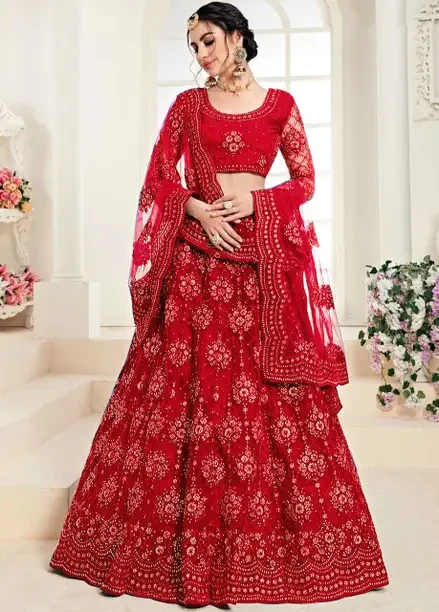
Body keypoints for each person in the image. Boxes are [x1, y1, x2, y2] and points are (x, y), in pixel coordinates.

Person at [49, 1, 389, 605]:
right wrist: (197, 209)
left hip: (260, 268)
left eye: (208, 40)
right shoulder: (187, 107)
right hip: (195, 270)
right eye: (194, 46)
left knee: (260, 399)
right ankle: (157, 551)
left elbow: (305, 182)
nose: (201, 54)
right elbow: (159, 179)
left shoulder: (280, 106)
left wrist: (258, 203)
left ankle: (255, 555)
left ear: (235, 37)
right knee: (185, 396)